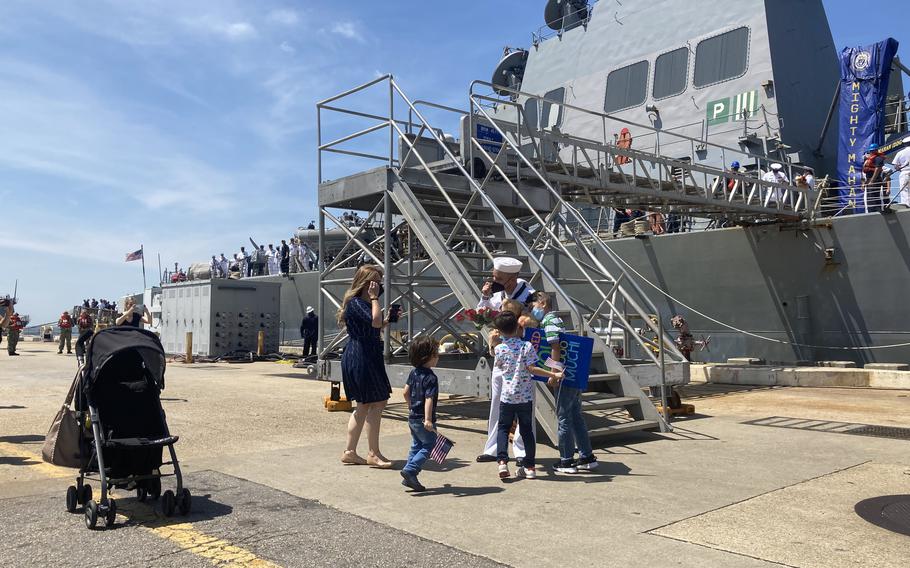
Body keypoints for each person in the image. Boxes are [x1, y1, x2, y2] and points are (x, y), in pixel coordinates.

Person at [491, 311, 562, 480]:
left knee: (503, 428)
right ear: (518, 327)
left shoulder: (500, 349)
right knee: (527, 430)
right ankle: (529, 466)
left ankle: (502, 462)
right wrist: (552, 374)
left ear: (499, 331)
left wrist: (492, 344)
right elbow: (532, 369)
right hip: (525, 396)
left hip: (507, 396)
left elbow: (499, 366)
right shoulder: (527, 346)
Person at [531, 292, 598, 473]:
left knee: (563, 417)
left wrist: (554, 373)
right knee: (576, 415)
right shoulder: (557, 320)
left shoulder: (549, 321)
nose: (532, 310)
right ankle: (586, 456)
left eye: (534, 306)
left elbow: (555, 346)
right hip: (573, 372)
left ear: (543, 304)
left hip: (564, 375)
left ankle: (566, 460)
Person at [338, 264, 394, 468]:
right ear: (366, 284)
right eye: (376, 283)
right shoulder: (357, 303)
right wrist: (374, 298)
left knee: (364, 404)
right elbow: (375, 322)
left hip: (364, 353)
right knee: (377, 402)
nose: (379, 287)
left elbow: (375, 324)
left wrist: (387, 320)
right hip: (362, 355)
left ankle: (350, 451)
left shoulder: (359, 303)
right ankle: (373, 452)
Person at [401, 335, 441, 492]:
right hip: (424, 419)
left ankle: (410, 477)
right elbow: (429, 399)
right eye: (436, 354)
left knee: (416, 445)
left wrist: (411, 408)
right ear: (428, 357)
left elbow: (405, 392)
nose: (438, 357)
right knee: (429, 445)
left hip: (412, 417)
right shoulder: (431, 377)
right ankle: (410, 470)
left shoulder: (414, 373)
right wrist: (428, 419)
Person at [862, 144, 887, 211]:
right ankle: (871, 211)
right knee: (869, 198)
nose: (871, 152)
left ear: (876, 150)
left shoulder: (878, 158)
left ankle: (878, 210)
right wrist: (864, 183)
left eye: (873, 150)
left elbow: (877, 169)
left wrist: (872, 181)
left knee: (875, 196)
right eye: (871, 151)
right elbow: (864, 172)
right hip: (868, 180)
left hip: (875, 181)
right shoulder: (867, 160)